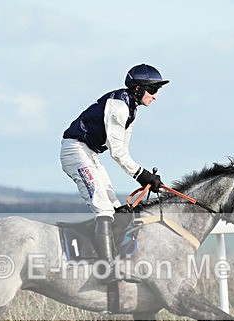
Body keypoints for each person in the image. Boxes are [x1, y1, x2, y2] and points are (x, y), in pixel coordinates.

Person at [60, 64, 168, 280]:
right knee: (103, 208)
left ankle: (118, 259)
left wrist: (143, 176)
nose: (156, 96)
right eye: (153, 90)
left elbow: (122, 152)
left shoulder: (131, 110)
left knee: (117, 208)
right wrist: (143, 175)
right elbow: (117, 153)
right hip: (75, 151)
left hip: (91, 154)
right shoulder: (119, 108)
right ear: (138, 89)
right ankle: (107, 270)